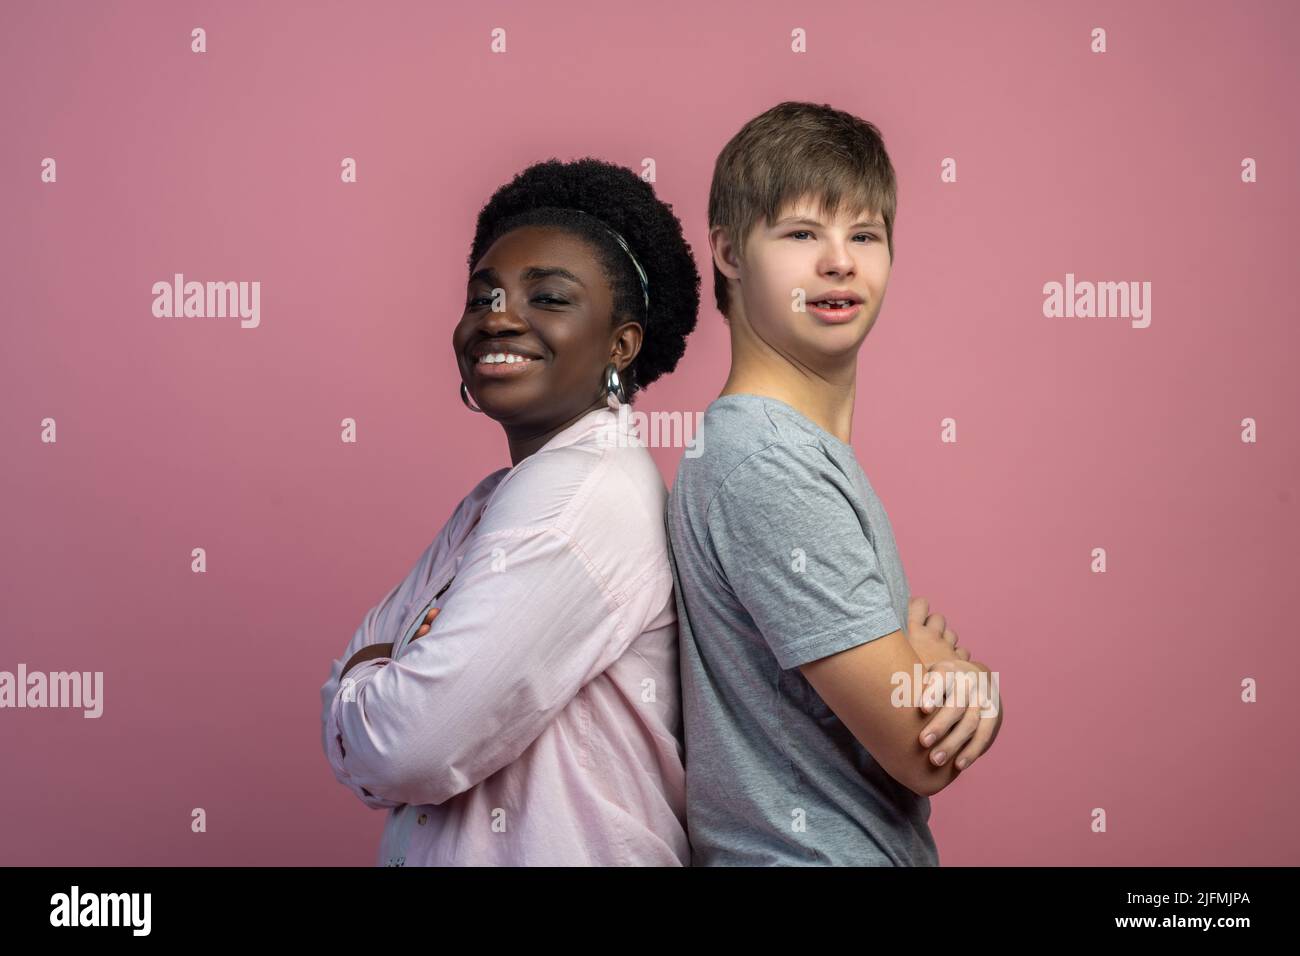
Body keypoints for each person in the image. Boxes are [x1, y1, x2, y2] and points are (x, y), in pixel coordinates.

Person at [320, 157, 701, 865]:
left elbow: (410, 746)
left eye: (548, 297)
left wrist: (376, 674)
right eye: (482, 296)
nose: (499, 318)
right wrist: (379, 686)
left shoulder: (582, 497)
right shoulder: (498, 500)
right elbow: (378, 714)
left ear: (622, 345)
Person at [665, 101, 1005, 866]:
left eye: (864, 235)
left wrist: (921, 664)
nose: (840, 262)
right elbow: (923, 748)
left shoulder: (783, 449)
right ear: (728, 252)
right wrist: (964, 679)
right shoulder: (767, 462)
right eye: (800, 234)